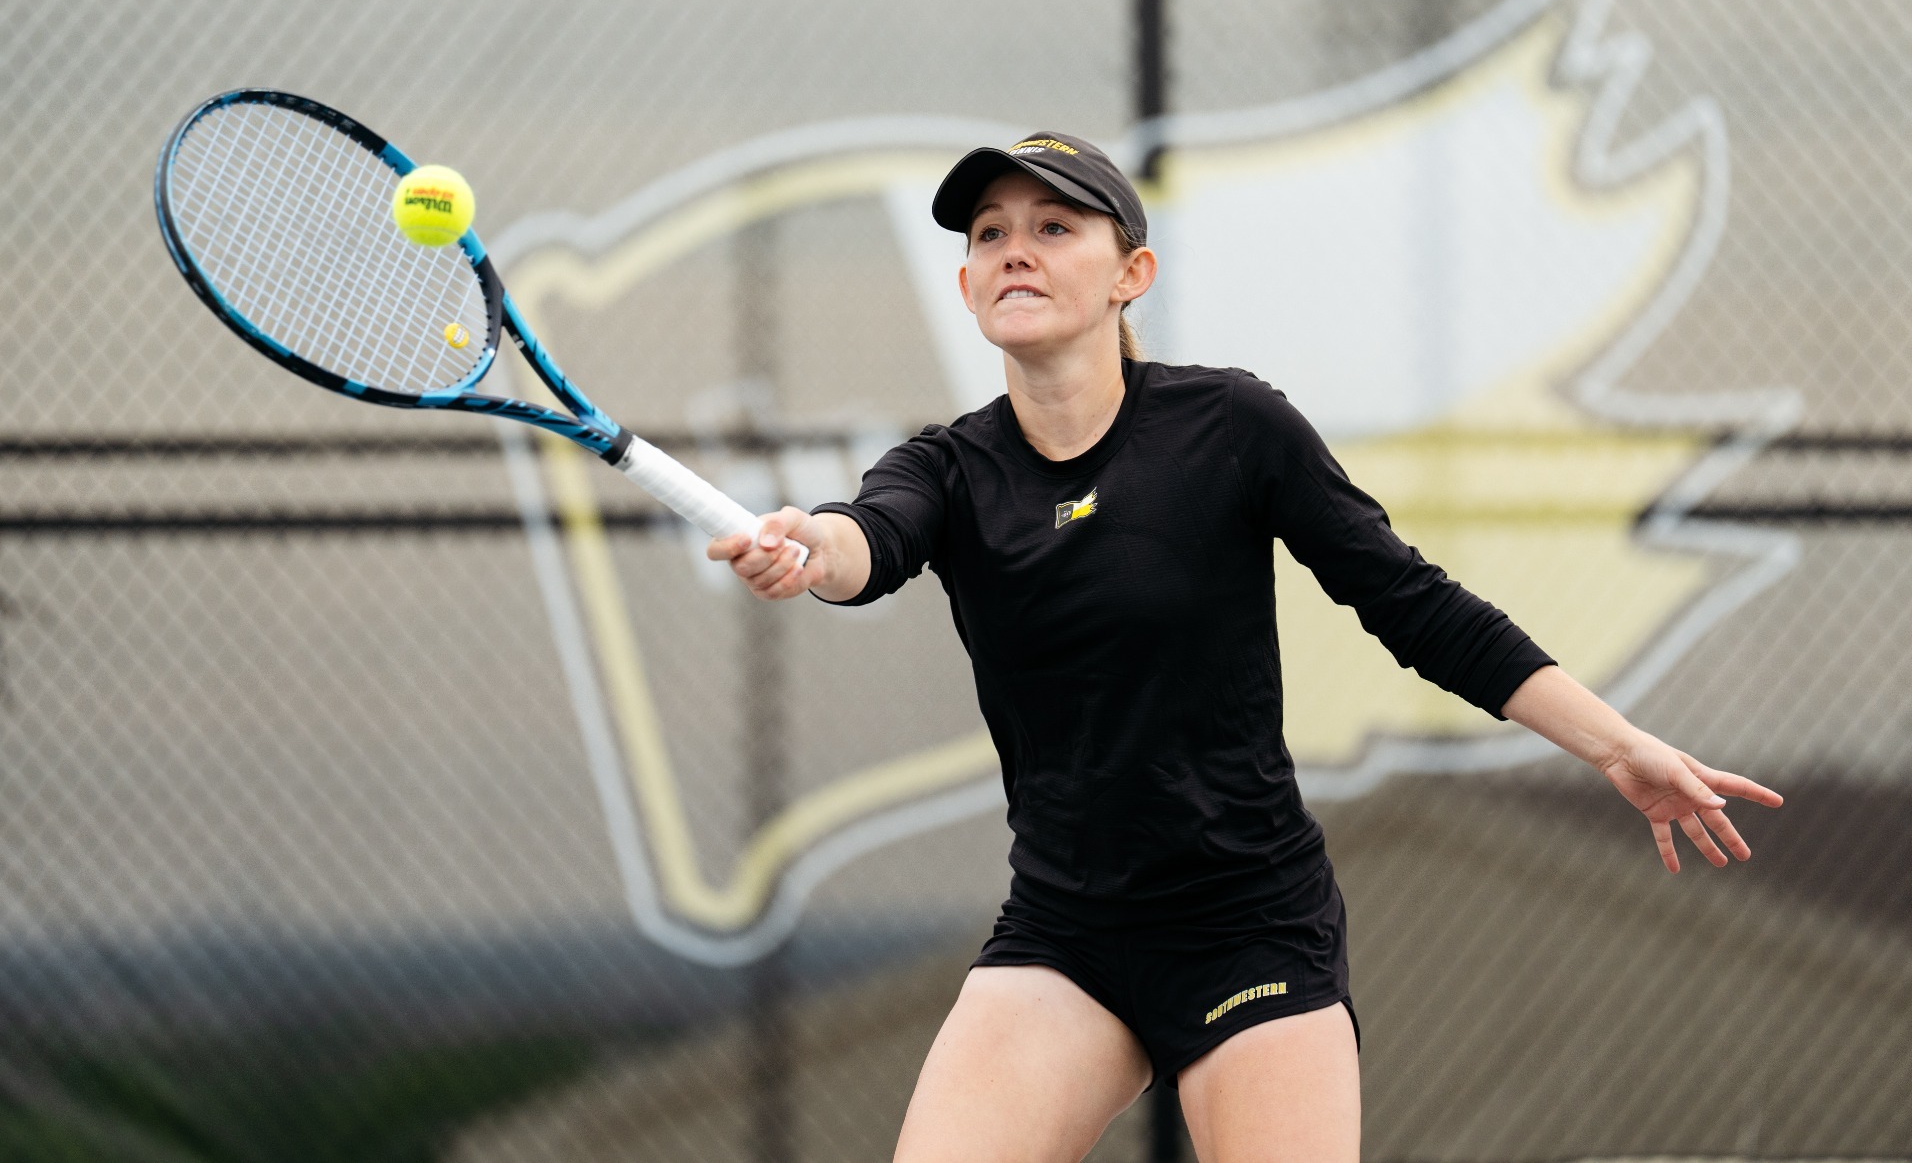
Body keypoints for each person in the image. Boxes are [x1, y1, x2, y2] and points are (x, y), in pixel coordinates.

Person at [708, 132, 1783, 1163]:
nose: (1013, 249)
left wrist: (1611, 746)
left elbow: (1411, 603)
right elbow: (864, 542)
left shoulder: (1229, 426)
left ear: (1132, 272)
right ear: (966, 286)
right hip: (1065, 931)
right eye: (988, 234)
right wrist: (811, 547)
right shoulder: (946, 469)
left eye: (1052, 225)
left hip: (1249, 929)